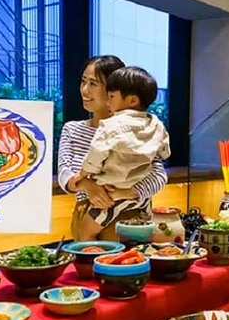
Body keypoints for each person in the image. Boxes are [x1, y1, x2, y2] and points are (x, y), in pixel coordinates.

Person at [57, 56, 168, 241]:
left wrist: (126, 193)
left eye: (93, 84)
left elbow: (158, 175)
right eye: (83, 81)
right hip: (86, 212)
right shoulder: (72, 129)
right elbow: (64, 172)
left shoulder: (140, 129)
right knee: (87, 256)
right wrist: (88, 186)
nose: (85, 90)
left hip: (131, 216)